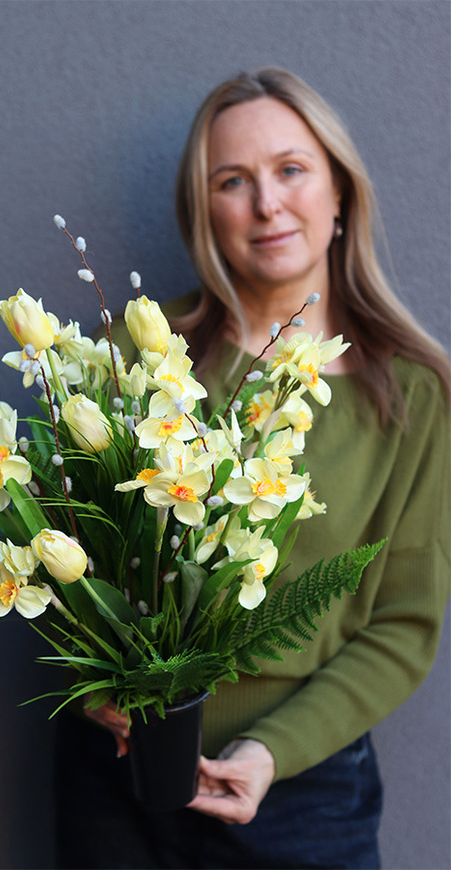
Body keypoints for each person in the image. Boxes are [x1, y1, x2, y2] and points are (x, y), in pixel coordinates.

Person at [54, 68, 450, 870]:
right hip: (120, 770)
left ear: (340, 194)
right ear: (204, 212)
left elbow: (404, 623)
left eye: (291, 170)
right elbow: (58, 551)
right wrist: (93, 685)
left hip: (303, 789)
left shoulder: (412, 395)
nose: (268, 204)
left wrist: (273, 751)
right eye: (232, 181)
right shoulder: (137, 358)